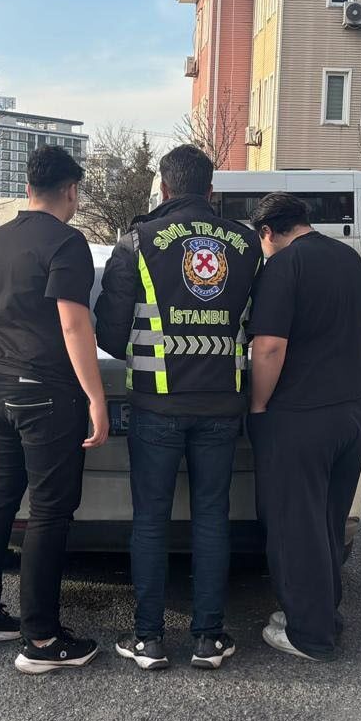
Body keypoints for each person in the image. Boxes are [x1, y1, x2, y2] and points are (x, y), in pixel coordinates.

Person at [95, 144, 262, 672]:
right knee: (212, 516)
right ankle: (208, 638)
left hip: (156, 404)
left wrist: (152, 351)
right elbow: (259, 323)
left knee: (150, 519)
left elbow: (110, 332)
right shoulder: (246, 244)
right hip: (223, 405)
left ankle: (148, 639)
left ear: (163, 189)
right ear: (211, 191)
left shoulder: (137, 242)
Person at [0, 145, 110, 674]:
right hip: (43, 390)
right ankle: (42, 639)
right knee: (50, 509)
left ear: (28, 188)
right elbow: (74, 323)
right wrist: (96, 397)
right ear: (71, 191)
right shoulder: (67, 242)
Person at [245, 192, 361, 661]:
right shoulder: (348, 258)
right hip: (358, 406)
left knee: (294, 525)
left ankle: (309, 634)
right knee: (327, 519)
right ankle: (324, 612)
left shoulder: (283, 267)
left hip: (303, 413)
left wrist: (258, 405)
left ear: (267, 232)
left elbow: (269, 347)